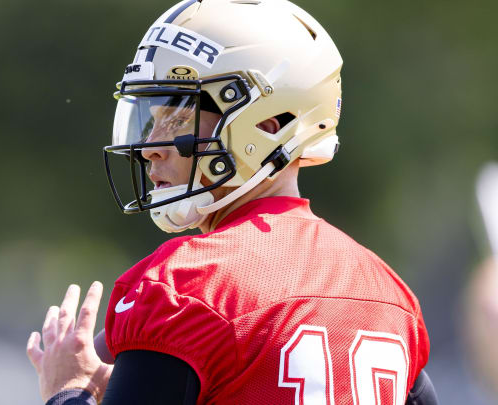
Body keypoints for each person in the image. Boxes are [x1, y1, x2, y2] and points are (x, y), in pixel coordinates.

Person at [26, 0, 438, 403]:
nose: (151, 145)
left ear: (267, 126)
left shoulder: (184, 286)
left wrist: (68, 392)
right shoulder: (389, 294)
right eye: (153, 119)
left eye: (179, 116)